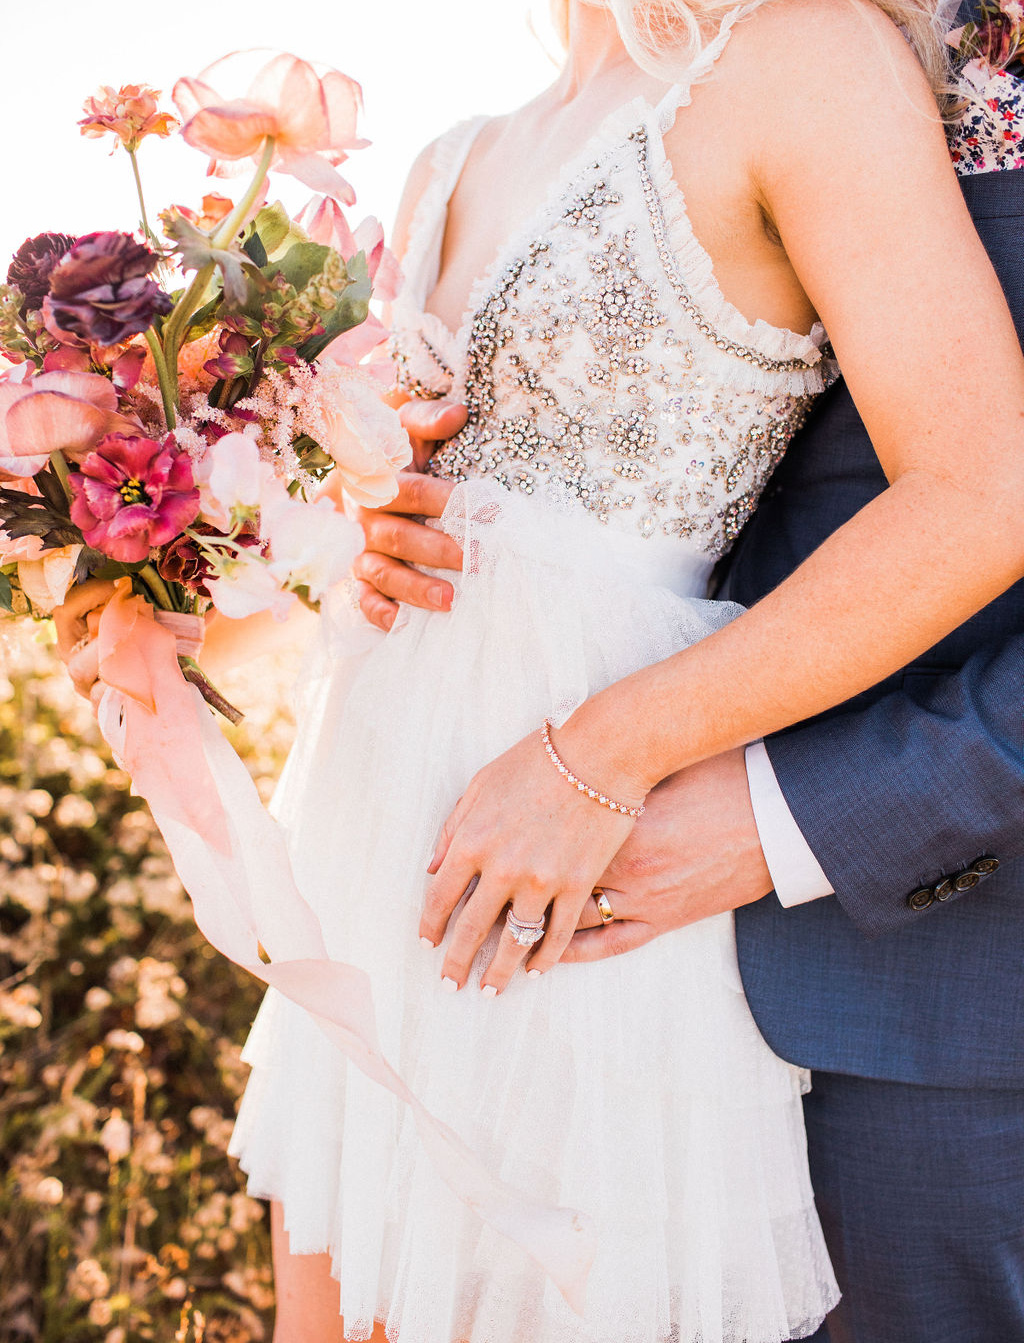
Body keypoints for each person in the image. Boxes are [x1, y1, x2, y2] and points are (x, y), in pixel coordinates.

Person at [54, 1, 1024, 1340]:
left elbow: (985, 490)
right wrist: (172, 585)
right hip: (378, 823)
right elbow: (393, 517)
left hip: (593, 840)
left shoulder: (804, 57)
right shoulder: (450, 156)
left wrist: (602, 758)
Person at [350, 3, 1024, 1342]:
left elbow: (980, 487)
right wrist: (373, 513)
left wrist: (774, 808)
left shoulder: (815, 56)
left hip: (946, 992)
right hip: (507, 882)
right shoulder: (494, 141)